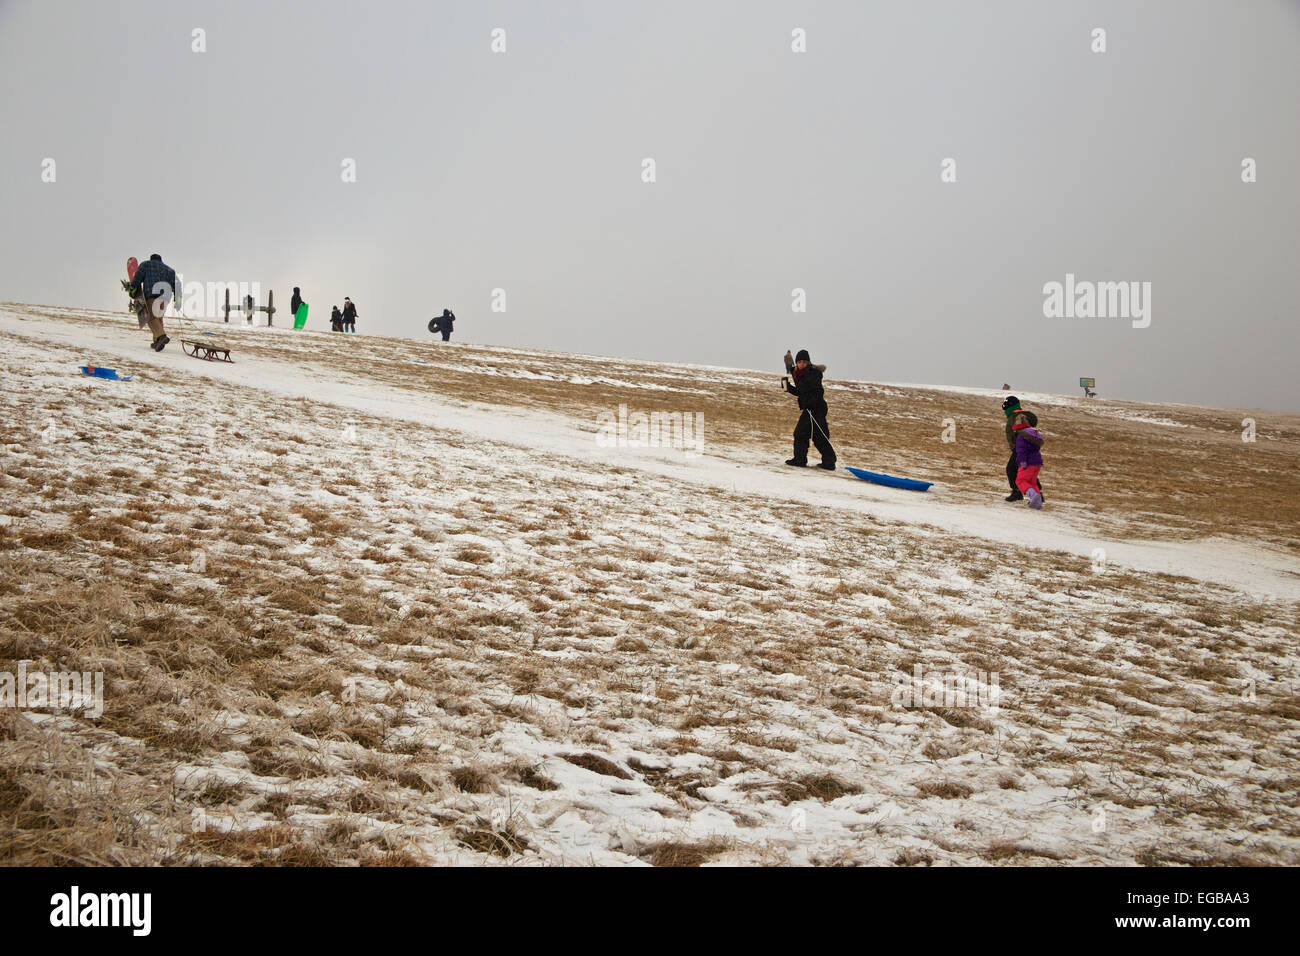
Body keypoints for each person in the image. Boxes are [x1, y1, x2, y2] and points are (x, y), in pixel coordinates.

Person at [782, 349, 836, 469]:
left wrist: (812, 402)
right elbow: (801, 392)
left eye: (804, 362)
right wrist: (788, 388)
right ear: (796, 363)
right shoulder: (800, 374)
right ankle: (826, 461)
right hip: (810, 409)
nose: (802, 364)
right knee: (812, 435)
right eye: (800, 362)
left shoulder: (812, 374)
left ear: (808, 363)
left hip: (815, 409)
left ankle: (805, 460)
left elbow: (818, 391)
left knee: (806, 434)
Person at [126, 253, 178, 351]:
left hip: (152, 295)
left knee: (150, 318)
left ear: (151, 259)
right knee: (158, 318)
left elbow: (137, 277)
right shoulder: (169, 270)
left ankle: (161, 336)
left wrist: (132, 288)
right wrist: (177, 298)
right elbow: (176, 286)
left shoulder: (146, 264)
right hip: (165, 298)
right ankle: (157, 341)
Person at [1001, 396, 1043, 502]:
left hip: (1020, 449)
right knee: (1027, 472)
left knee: (1011, 469)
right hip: (1026, 449)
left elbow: (1017, 431)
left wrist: (1016, 446)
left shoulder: (1016, 417)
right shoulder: (1023, 416)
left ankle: (1017, 492)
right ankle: (1037, 493)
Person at [1012, 413, 1045, 509]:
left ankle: (1033, 496)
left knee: (1020, 481)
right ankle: (1037, 503)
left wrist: (1022, 462)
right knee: (1032, 482)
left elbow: (1021, 450)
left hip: (1028, 462)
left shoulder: (1022, 435)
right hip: (1037, 462)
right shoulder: (1033, 434)